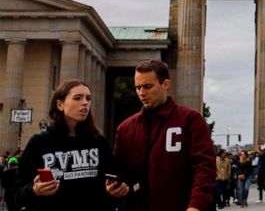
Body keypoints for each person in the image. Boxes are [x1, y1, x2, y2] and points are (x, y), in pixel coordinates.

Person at [112, 59, 215, 211]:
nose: (141, 93)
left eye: (147, 86)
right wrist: (113, 189)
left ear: (165, 84)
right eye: (138, 87)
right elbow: (119, 173)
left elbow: (204, 168)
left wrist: (196, 206)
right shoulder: (125, 128)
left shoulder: (190, 119)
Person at [13, 79, 128, 210]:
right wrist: (34, 190)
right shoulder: (39, 143)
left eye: (88, 98)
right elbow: (16, 194)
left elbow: (111, 183)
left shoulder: (99, 143)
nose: (85, 103)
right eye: (77, 98)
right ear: (60, 105)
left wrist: (115, 191)